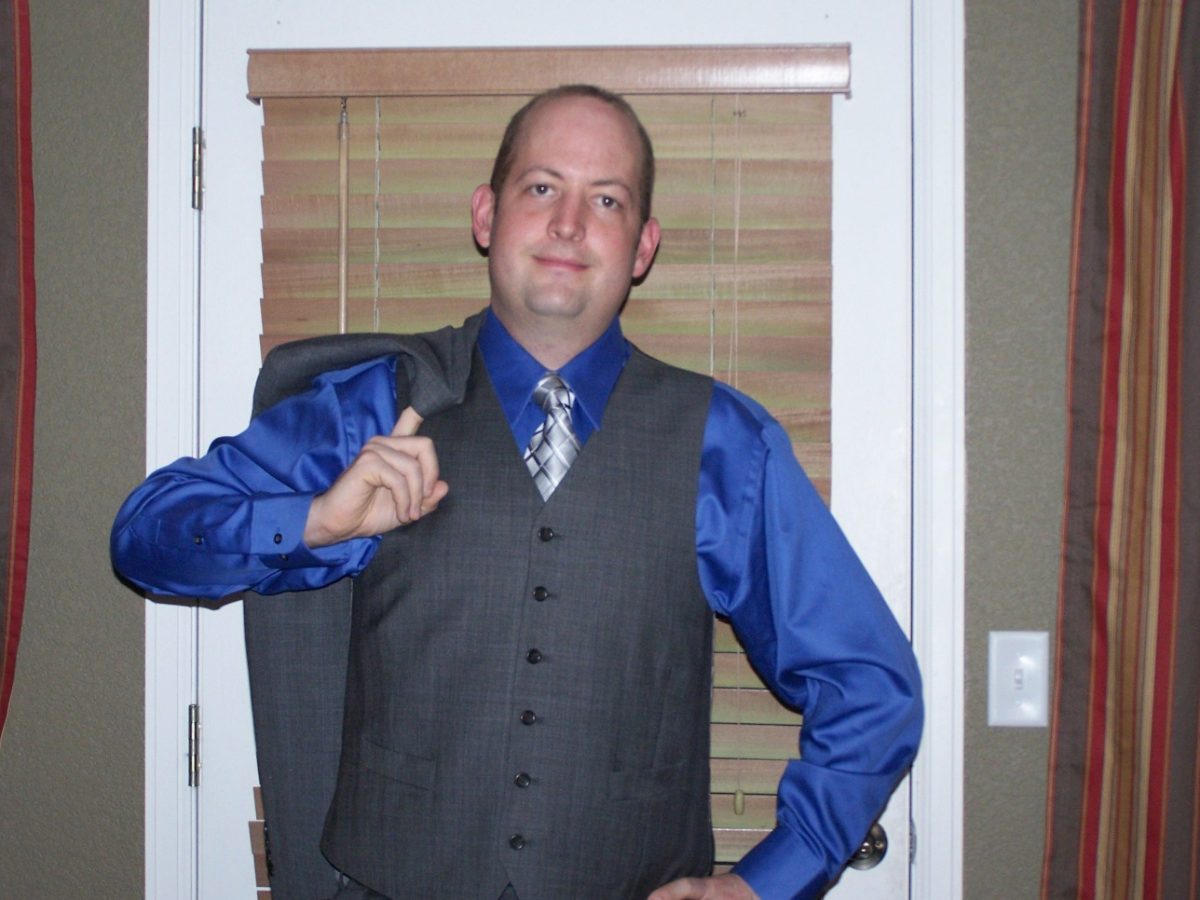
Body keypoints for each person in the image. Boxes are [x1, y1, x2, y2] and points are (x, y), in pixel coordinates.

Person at [113, 84, 922, 900]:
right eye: (541, 187)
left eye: (605, 199)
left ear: (642, 247)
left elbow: (870, 684)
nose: (568, 223)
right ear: (486, 216)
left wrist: (766, 884)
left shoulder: (724, 443)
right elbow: (146, 536)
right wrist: (315, 521)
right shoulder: (376, 406)